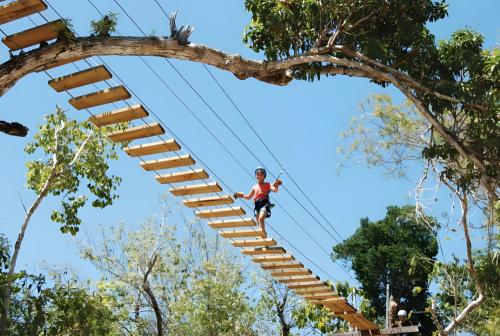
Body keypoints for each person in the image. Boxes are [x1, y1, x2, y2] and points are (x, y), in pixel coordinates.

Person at [233, 167, 282, 236]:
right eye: (257, 174)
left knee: (261, 219)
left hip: (264, 204)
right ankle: (263, 236)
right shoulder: (254, 187)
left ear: (264, 176)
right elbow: (248, 197)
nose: (259, 176)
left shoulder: (268, 184)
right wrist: (240, 195)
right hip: (257, 205)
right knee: (259, 224)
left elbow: (274, 190)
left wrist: (277, 185)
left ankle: (262, 234)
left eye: (261, 175)